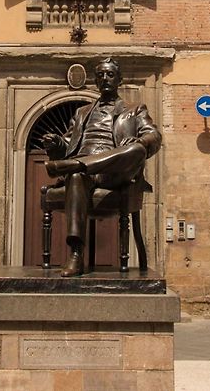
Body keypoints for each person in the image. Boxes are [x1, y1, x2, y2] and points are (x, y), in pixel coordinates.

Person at [42, 58, 161, 277]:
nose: (105, 79)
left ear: (119, 79)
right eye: (100, 75)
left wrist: (139, 141)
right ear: (95, 81)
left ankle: (73, 165)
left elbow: (154, 136)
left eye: (110, 74)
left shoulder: (134, 110)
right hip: (85, 171)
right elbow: (70, 143)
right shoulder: (82, 112)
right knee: (76, 176)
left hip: (115, 172)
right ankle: (76, 255)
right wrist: (56, 143)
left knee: (137, 150)